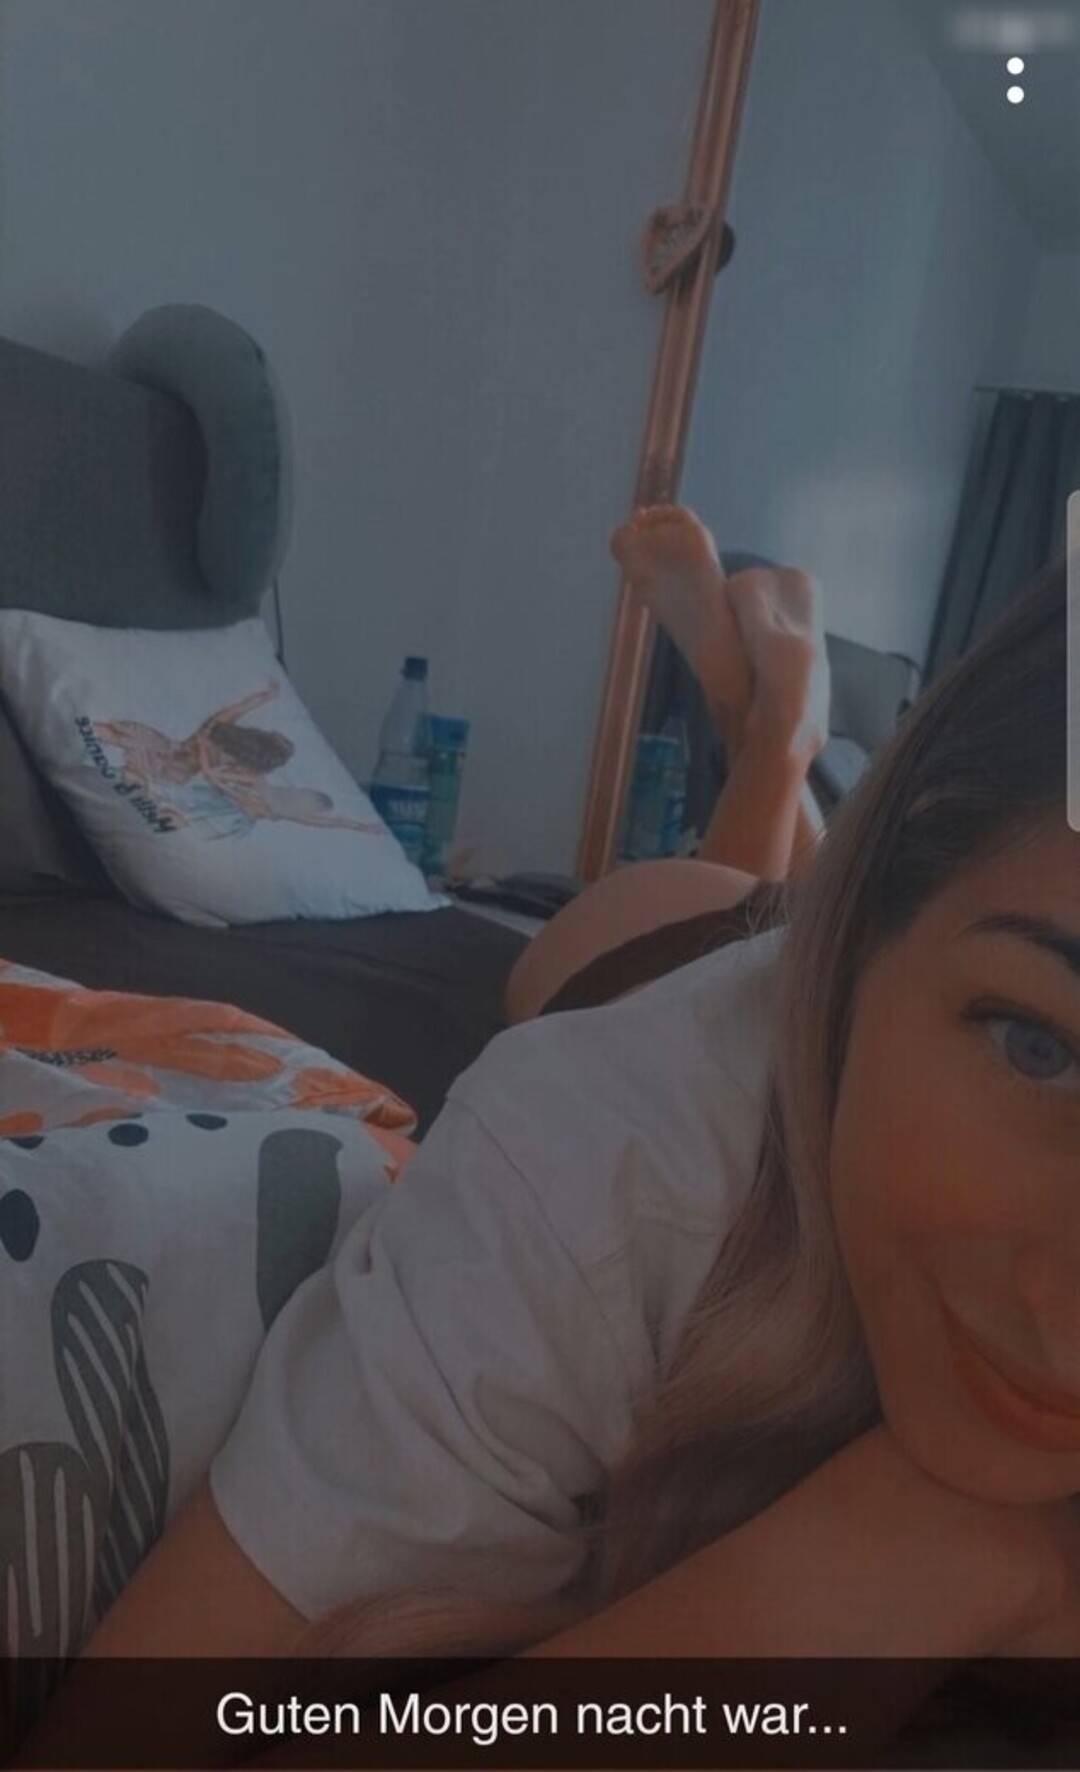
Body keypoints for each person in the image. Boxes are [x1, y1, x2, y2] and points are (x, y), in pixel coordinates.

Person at [17, 523, 1080, 1767]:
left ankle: (777, 740)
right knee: (669, 910)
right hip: (647, 949)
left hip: (837, 934)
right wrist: (895, 1562)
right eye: (1040, 1046)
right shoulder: (602, 1155)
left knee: (774, 893)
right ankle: (777, 730)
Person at [93, 683, 381, 837]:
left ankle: (130, 768)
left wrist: (263, 698)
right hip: (172, 766)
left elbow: (234, 714)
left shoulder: (251, 781)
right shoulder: (242, 768)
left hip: (173, 772)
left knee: (131, 746)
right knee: (127, 738)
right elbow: (230, 720)